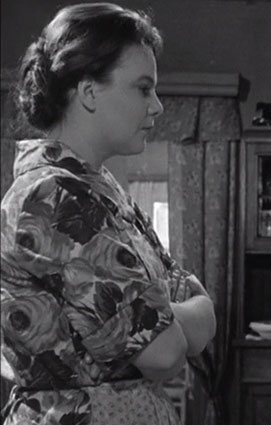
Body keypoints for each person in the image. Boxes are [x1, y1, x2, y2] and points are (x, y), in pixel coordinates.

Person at [0, 3, 215, 424]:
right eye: (143, 88)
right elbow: (164, 352)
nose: (157, 106)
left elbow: (183, 296)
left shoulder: (101, 191)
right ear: (89, 92)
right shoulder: (52, 197)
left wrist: (174, 317)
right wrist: (189, 313)